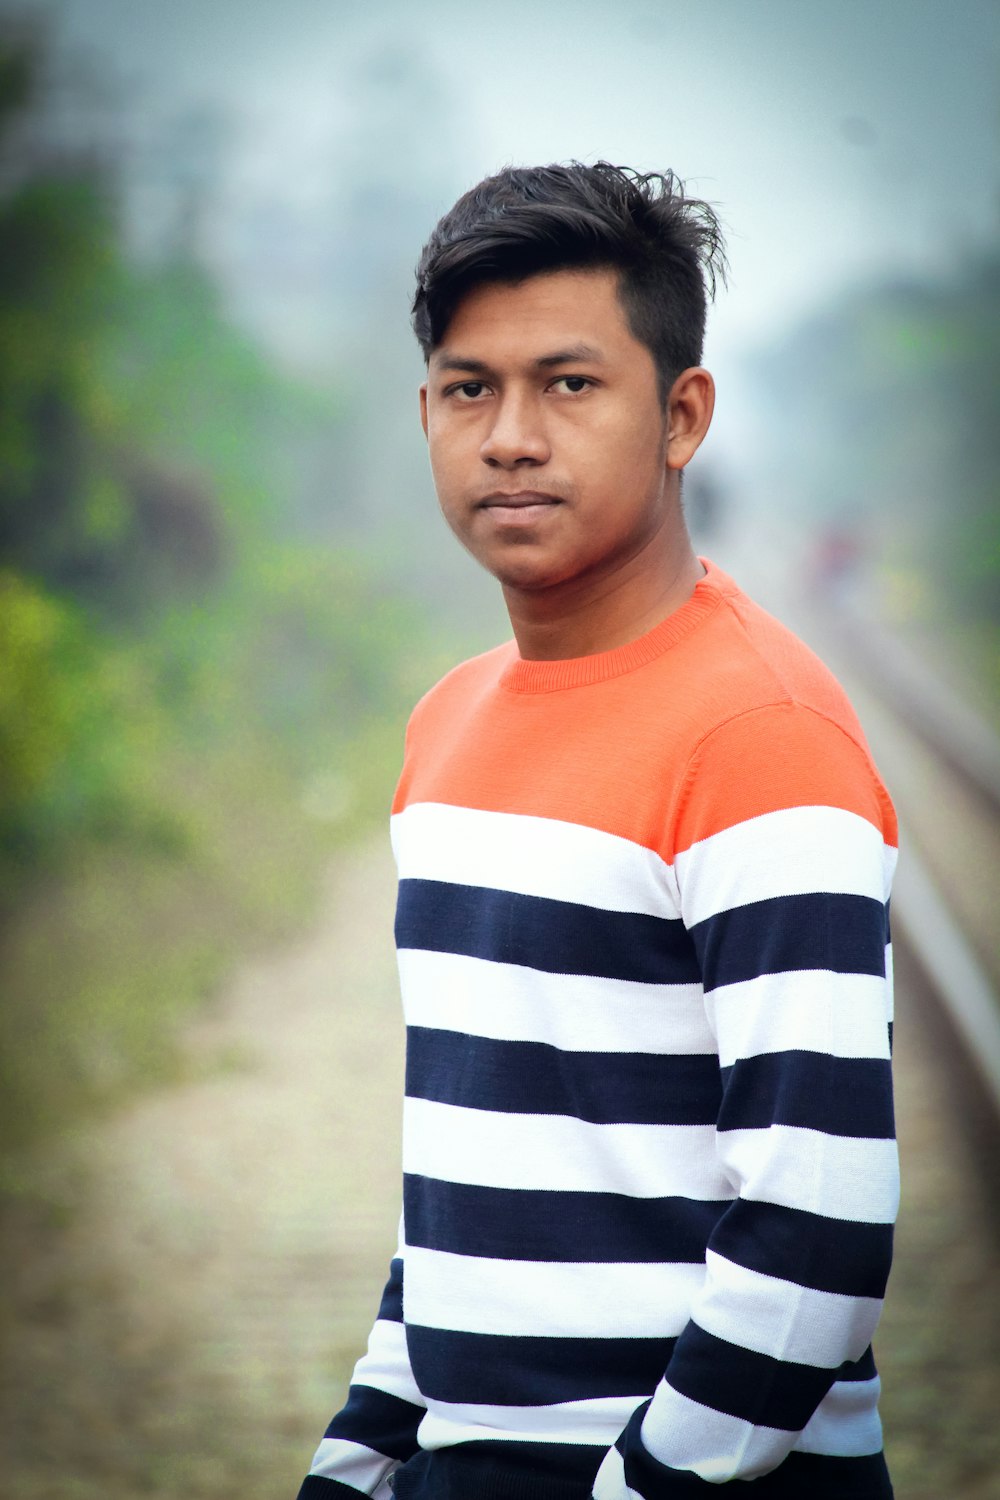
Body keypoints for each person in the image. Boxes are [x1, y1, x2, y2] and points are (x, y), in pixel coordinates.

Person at [295, 162, 898, 1500]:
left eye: (570, 384)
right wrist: (365, 1448)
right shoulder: (445, 732)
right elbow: (474, 1166)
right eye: (470, 388)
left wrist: (643, 1486)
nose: (510, 436)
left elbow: (821, 1215)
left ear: (682, 415)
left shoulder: (760, 735)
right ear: (427, 413)